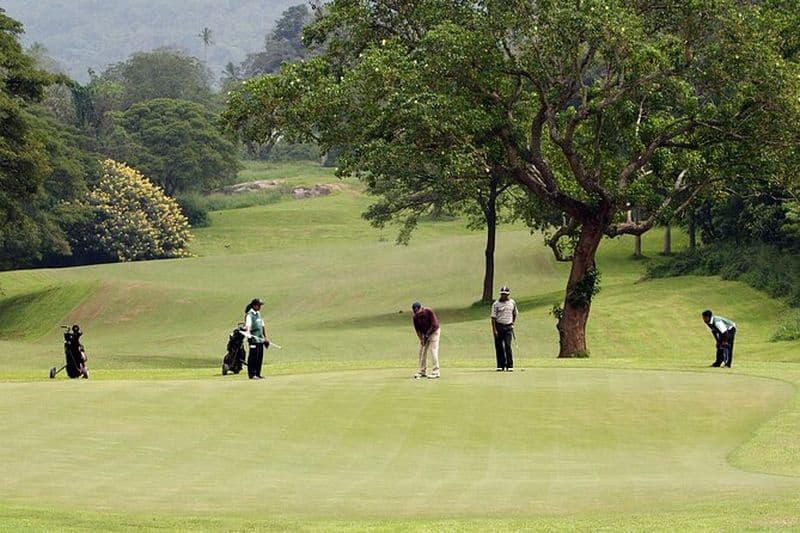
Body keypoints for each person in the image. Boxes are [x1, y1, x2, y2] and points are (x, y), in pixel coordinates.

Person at [491, 286, 518, 371]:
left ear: (508, 294)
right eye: (502, 294)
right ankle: (500, 365)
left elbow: (515, 313)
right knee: (499, 346)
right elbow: (493, 318)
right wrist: (494, 330)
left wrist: (512, 323)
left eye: (505, 294)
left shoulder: (512, 302)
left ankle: (509, 365)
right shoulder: (496, 304)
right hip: (499, 326)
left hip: (508, 327)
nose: (504, 296)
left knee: (507, 345)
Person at [411, 302, 440, 379]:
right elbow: (418, 331)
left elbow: (434, 325)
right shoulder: (415, 317)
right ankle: (422, 371)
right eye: (416, 312)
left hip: (434, 332)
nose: (417, 314)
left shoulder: (428, 311)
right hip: (425, 334)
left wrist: (427, 335)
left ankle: (436, 372)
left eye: (418, 311)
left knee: (433, 350)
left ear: (421, 308)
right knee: (422, 352)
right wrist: (421, 339)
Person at [244, 298, 269, 379]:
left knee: (259, 357)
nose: (260, 307)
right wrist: (248, 333)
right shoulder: (249, 315)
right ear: (254, 306)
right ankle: (252, 374)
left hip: (260, 339)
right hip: (253, 339)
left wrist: (265, 338)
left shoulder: (258, 314)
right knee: (253, 357)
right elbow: (248, 325)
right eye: (259, 305)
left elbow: (262, 326)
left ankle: (258, 373)